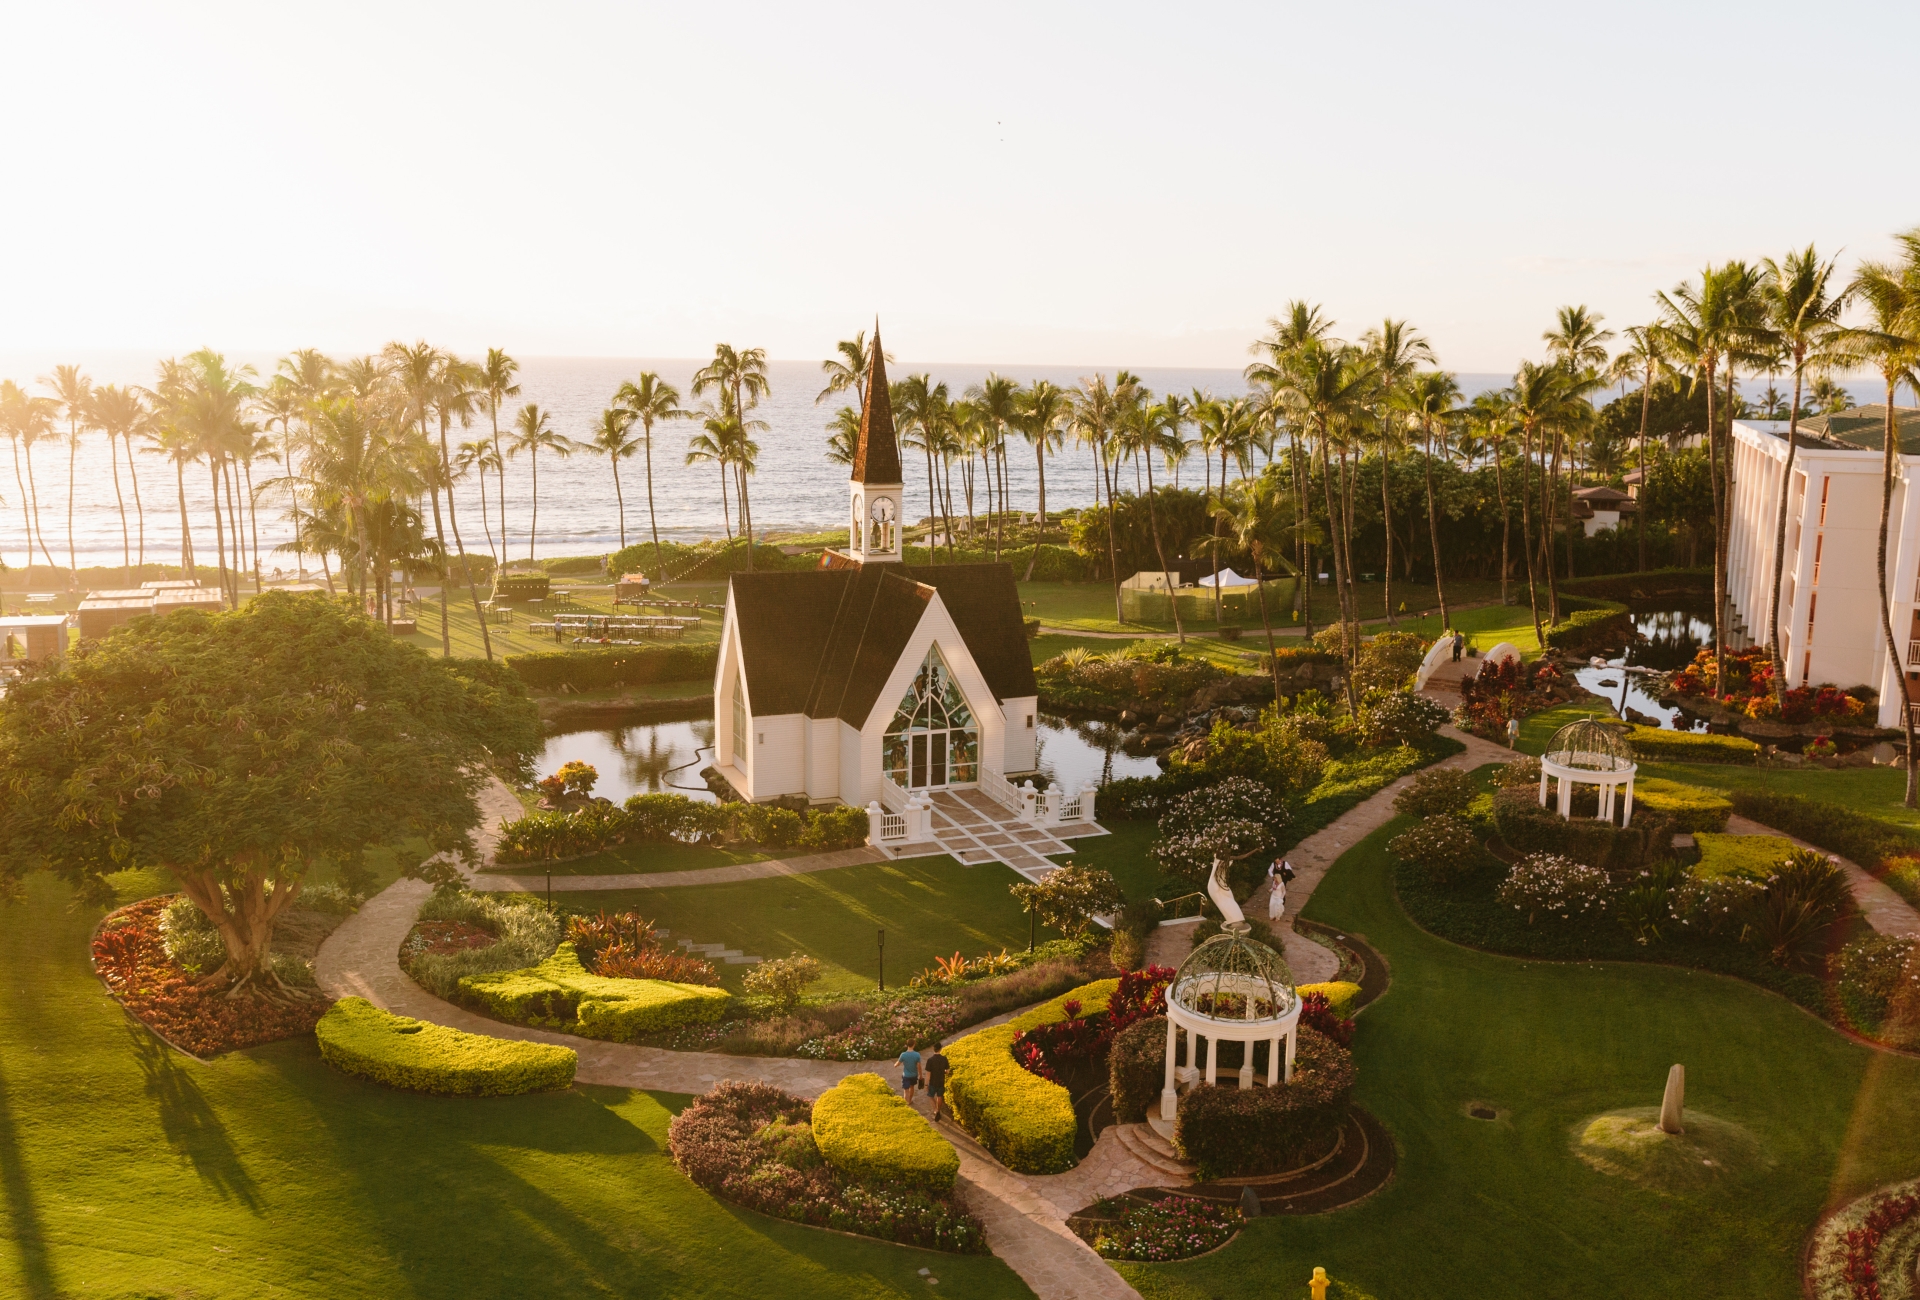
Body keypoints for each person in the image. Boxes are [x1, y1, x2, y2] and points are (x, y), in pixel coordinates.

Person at [923, 1041, 951, 1121]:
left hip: (933, 1082)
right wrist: (944, 1072)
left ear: (933, 1049)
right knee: (939, 1096)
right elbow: (947, 1071)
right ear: (940, 1049)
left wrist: (926, 1084)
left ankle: (935, 1110)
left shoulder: (930, 1060)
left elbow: (928, 1074)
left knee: (931, 1096)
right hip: (941, 1081)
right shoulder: (944, 1059)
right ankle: (938, 1110)